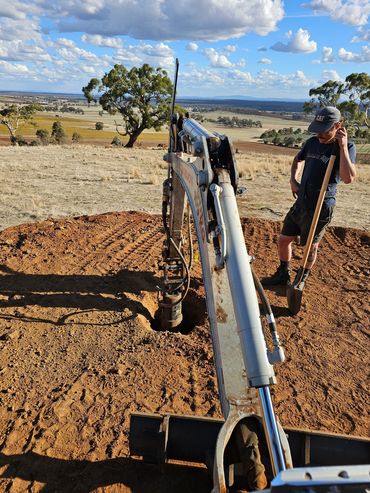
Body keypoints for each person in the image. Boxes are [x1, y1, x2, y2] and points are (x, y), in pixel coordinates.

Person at [261, 106, 356, 286]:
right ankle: (283, 273)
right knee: (284, 239)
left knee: (310, 247)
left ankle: (301, 279)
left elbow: (348, 178)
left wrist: (342, 148)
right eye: (317, 130)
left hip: (321, 205)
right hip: (302, 201)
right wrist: (293, 180)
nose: (319, 135)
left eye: (324, 130)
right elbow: (297, 159)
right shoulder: (312, 143)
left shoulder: (347, 147)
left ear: (338, 126)